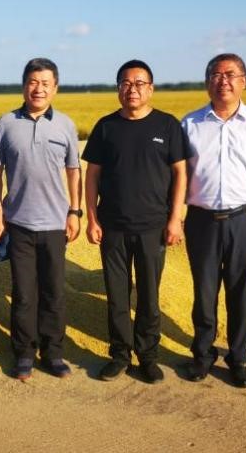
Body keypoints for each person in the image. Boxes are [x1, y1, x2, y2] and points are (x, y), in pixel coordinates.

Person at [180, 54, 246, 388]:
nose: (223, 81)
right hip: (201, 220)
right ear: (207, 81)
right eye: (216, 74)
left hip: (244, 220)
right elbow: (180, 176)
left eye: (230, 74)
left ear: (244, 81)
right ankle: (203, 354)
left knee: (241, 292)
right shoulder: (190, 124)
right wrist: (176, 215)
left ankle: (239, 358)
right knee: (204, 291)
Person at [82, 60, 188, 384]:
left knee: (148, 297)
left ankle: (148, 357)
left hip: (153, 227)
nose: (132, 89)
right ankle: (119, 355)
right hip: (112, 227)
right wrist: (92, 218)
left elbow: (181, 173)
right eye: (126, 83)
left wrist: (176, 219)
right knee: (117, 296)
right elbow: (92, 175)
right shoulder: (106, 127)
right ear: (118, 89)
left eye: (139, 83)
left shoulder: (167, 126)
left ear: (151, 88)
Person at [0, 58, 82, 381]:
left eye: (45, 83)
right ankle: (24, 353)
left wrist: (75, 211)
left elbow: (74, 170)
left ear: (55, 88)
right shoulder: (5, 124)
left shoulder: (66, 125)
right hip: (18, 223)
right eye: (33, 82)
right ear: (23, 85)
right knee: (24, 293)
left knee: (54, 292)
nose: (38, 89)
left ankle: (53, 352)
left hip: (56, 224)